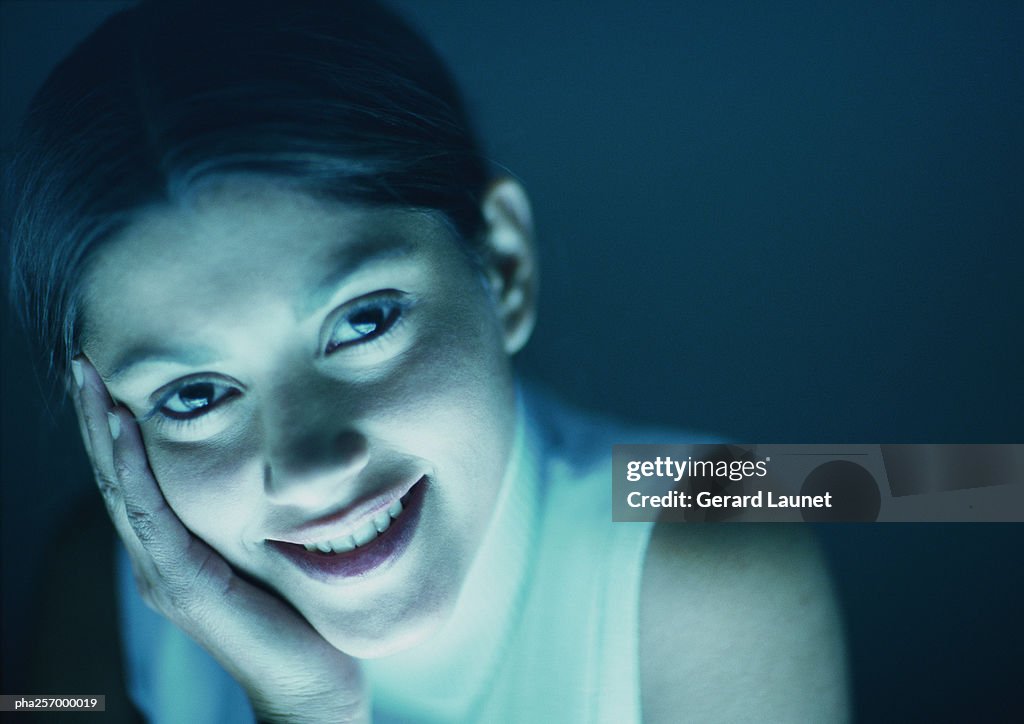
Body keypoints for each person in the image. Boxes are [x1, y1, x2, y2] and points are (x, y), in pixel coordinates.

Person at [6, 1, 848, 721]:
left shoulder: (724, 545)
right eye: (194, 396)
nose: (310, 466)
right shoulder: (97, 584)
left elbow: (961, 484)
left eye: (364, 320)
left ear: (506, 268)